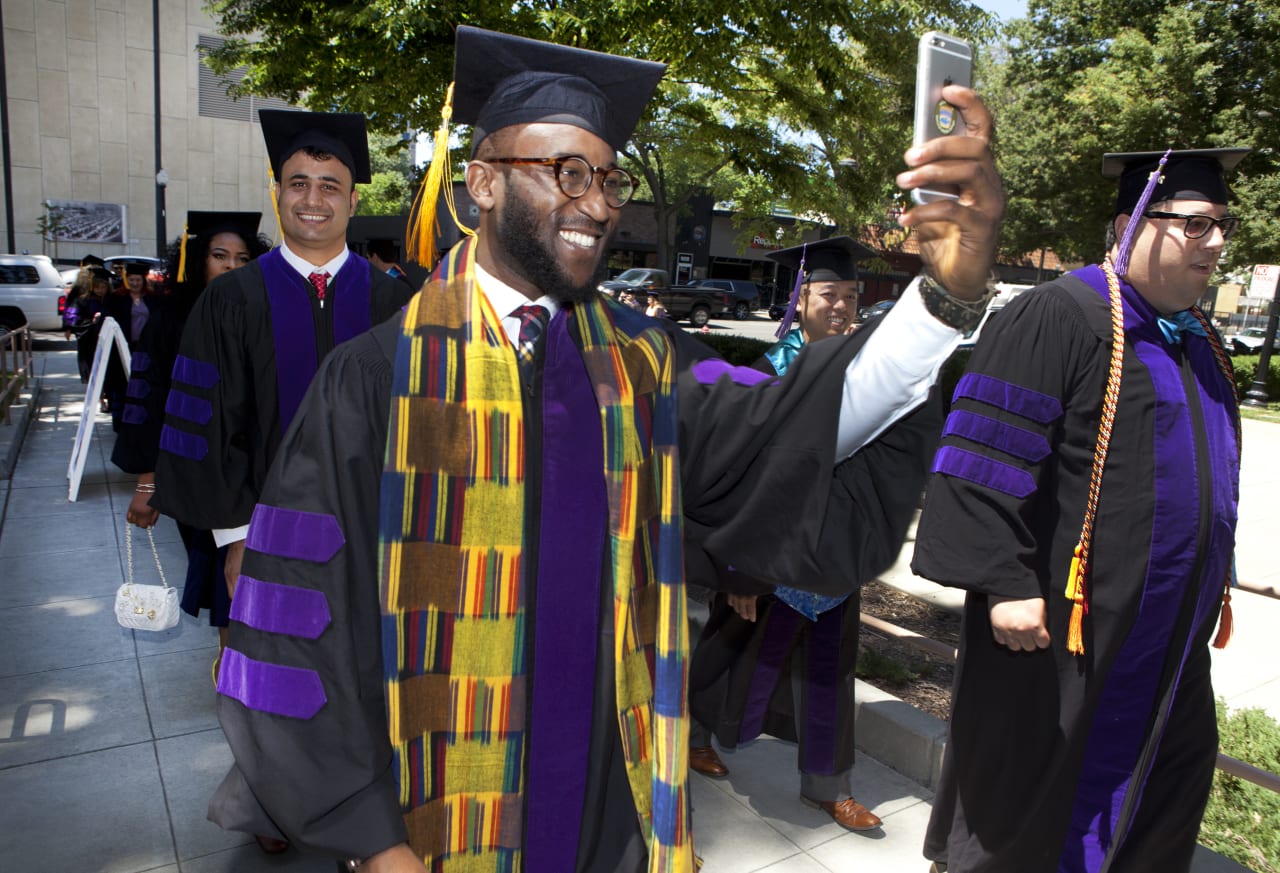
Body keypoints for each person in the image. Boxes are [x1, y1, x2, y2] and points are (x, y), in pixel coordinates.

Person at [207, 26, 1003, 873]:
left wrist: (945, 297)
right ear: (479, 183)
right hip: (433, 806)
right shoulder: (375, 380)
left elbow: (804, 426)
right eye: (566, 173)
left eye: (608, 178)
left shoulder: (643, 364)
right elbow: (297, 626)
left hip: (611, 795)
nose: (596, 202)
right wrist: (373, 843)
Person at [911, 148, 1246, 873]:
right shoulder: (1061, 315)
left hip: (1166, 641)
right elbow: (980, 453)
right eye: (1195, 225)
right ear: (1131, 225)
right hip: (1064, 637)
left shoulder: (1198, 343)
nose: (1215, 242)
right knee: (1031, 813)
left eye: (1221, 225)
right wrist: (1004, 582)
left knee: (1159, 801)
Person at [686, 236, 913, 833]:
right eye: (828, 294)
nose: (841, 307)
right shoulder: (768, 373)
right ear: (801, 299)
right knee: (731, 650)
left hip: (836, 553)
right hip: (769, 553)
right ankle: (692, 734)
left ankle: (828, 786)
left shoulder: (868, 370)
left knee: (830, 672)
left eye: (850, 296)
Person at [115, 212, 271, 659]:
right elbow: (147, 405)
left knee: (243, 571)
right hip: (196, 471)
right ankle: (233, 667)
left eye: (242, 258)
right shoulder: (170, 319)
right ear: (197, 260)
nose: (229, 266)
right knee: (222, 569)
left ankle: (239, 664)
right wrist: (147, 483)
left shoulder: (263, 314)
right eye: (219, 256)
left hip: (255, 468)